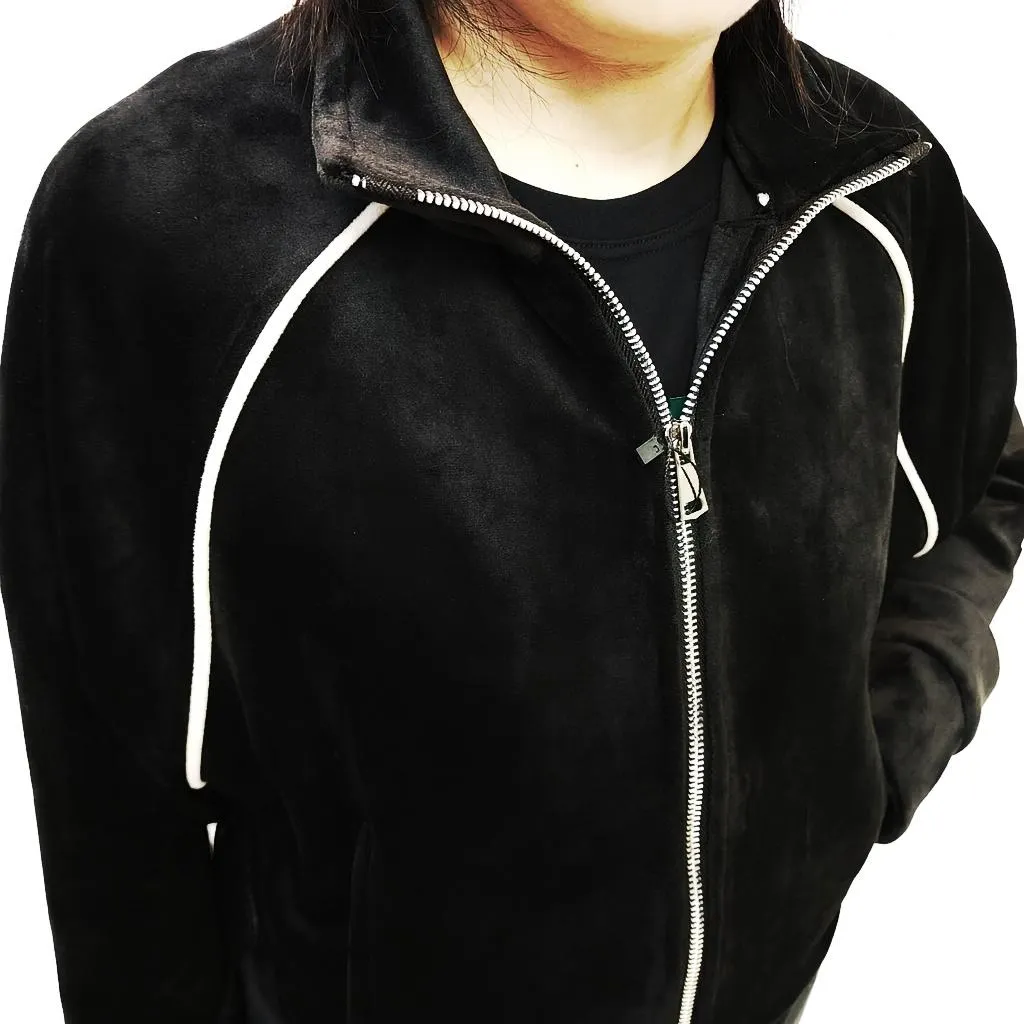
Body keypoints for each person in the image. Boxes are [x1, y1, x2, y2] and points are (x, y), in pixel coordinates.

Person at [1, 1, 1021, 1022]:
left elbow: (982, 480)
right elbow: (116, 819)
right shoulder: (171, 210)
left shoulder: (875, 180)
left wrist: (877, 740)